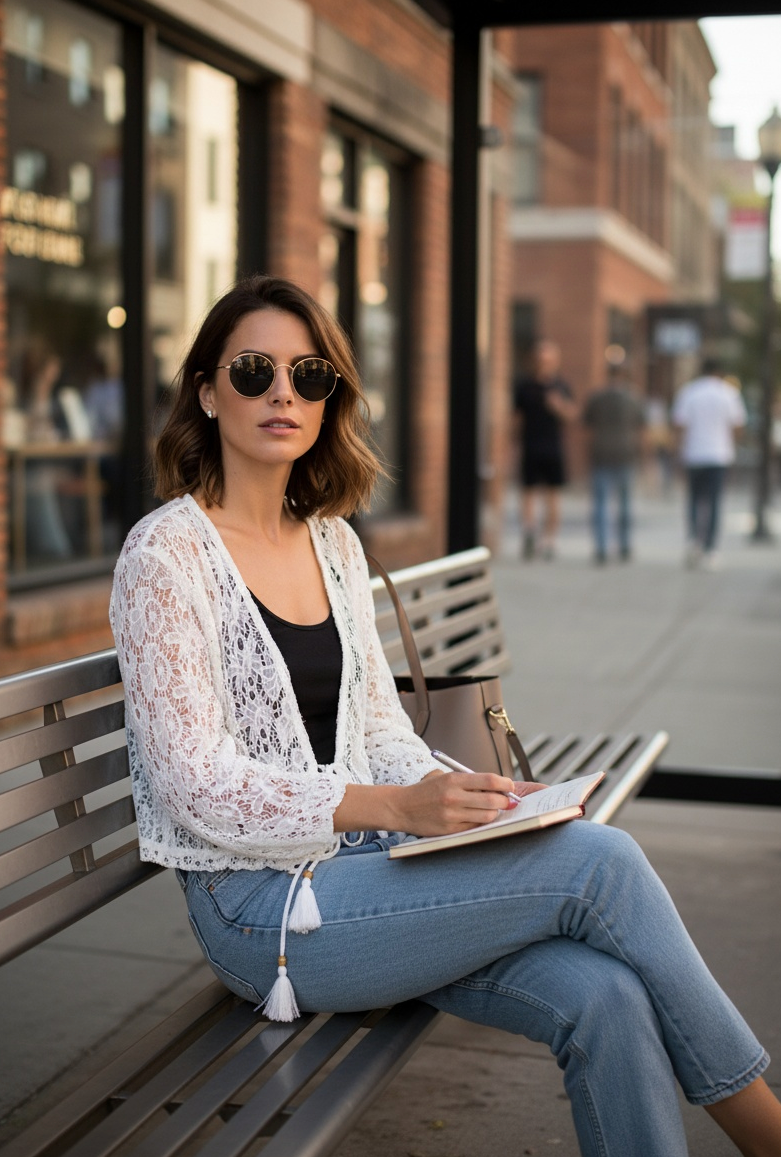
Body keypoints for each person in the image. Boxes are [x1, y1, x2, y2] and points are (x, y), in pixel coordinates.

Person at [109, 275, 781, 1157]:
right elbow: (197, 784)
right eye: (252, 370)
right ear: (206, 389)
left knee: (606, 997)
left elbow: (382, 729)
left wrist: (463, 795)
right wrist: (393, 809)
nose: (282, 392)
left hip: (371, 872)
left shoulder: (332, 541)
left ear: (328, 398)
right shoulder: (166, 555)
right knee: (599, 865)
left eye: (308, 375)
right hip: (263, 914)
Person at [672, 358, 747, 569]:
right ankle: (711, 549)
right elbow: (738, 426)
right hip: (718, 455)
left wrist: (678, 452)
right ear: (719, 371)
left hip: (694, 454)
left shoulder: (689, 392)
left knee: (694, 500)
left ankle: (694, 541)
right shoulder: (729, 393)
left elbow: (679, 425)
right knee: (714, 502)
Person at [512, 339, 578, 560]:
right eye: (541, 359)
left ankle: (549, 540)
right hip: (530, 446)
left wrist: (558, 406)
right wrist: (511, 447)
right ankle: (529, 533)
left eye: (548, 359)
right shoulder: (524, 386)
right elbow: (516, 419)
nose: (544, 363)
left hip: (553, 447)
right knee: (528, 493)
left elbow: (572, 416)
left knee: (553, 495)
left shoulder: (561, 386)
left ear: (555, 362)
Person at [582, 362, 646, 564]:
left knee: (601, 503)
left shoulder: (596, 397)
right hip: (625, 453)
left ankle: (601, 547)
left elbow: (586, 426)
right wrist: (644, 456)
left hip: (601, 453)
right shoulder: (633, 398)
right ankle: (624, 546)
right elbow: (642, 429)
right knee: (625, 504)